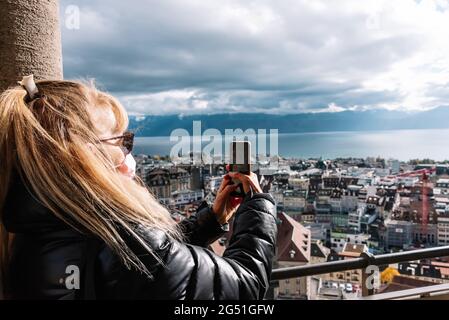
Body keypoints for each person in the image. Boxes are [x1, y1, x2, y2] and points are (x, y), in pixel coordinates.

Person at [0, 76, 277, 299]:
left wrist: (211, 220)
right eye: (122, 141)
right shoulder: (122, 241)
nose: (128, 153)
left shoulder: (35, 231)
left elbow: (155, 267)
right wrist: (258, 205)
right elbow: (245, 287)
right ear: (83, 157)